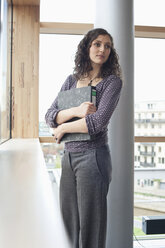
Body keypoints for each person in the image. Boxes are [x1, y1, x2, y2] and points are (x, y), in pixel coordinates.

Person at [45, 28, 122, 248]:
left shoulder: (111, 83)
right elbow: (50, 116)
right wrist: (76, 111)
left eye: (107, 46)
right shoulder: (71, 80)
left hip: (93, 157)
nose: (102, 49)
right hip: (69, 157)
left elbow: (97, 123)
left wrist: (61, 129)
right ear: (87, 47)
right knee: (68, 223)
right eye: (97, 44)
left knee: (91, 226)